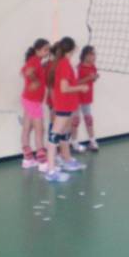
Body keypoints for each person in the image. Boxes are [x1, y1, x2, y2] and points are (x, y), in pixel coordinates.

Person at [45, 37, 88, 182]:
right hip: (63, 105)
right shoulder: (63, 64)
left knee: (64, 134)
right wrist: (81, 87)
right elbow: (64, 88)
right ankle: (51, 170)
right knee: (54, 136)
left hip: (68, 105)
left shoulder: (65, 63)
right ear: (72, 49)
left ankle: (67, 159)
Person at [20, 38, 50, 169]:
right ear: (37, 50)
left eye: (48, 50)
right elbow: (26, 72)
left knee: (27, 128)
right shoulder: (34, 61)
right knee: (40, 130)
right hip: (33, 101)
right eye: (45, 50)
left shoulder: (35, 61)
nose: (47, 52)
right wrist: (35, 81)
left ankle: (27, 159)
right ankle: (42, 162)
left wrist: (37, 75)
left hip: (29, 99)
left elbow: (23, 71)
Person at [71, 46, 100, 152]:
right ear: (85, 55)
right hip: (76, 97)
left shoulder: (93, 67)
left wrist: (95, 78)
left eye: (94, 54)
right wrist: (89, 78)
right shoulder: (79, 68)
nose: (94, 56)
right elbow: (75, 83)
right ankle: (74, 142)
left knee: (88, 119)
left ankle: (93, 141)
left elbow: (92, 80)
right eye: (92, 54)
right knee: (75, 120)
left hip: (87, 98)